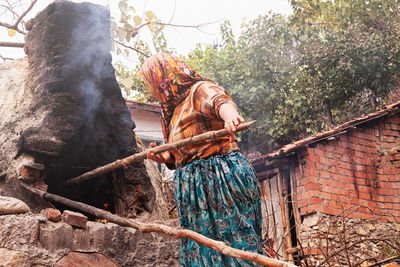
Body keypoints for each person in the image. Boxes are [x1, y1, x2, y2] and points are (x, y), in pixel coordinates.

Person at [139, 53, 262, 266]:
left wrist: (230, 116)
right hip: (192, 191)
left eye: (153, 82)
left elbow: (220, 101)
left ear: (164, 77)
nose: (154, 90)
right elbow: (175, 153)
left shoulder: (199, 90)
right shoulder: (171, 113)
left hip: (220, 178)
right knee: (202, 252)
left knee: (235, 245)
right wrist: (164, 156)